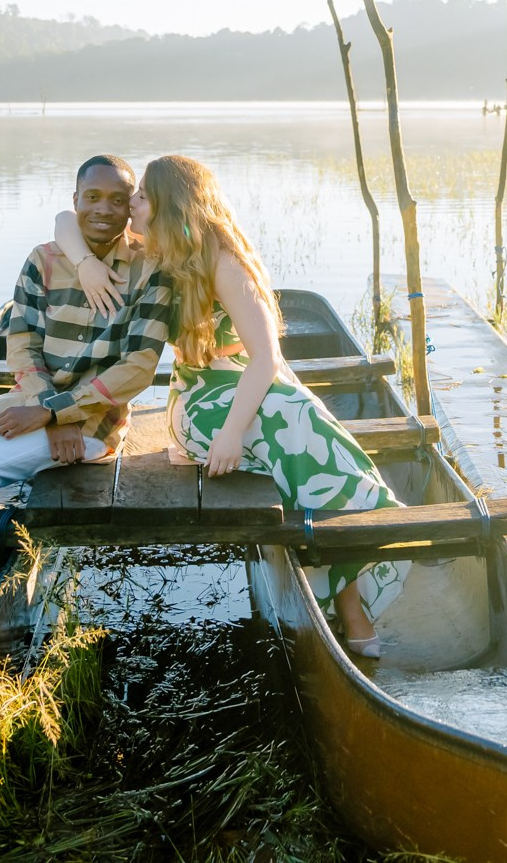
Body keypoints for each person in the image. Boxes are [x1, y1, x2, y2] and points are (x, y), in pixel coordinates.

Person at [56, 153, 404, 657]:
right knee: (295, 424)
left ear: (171, 206)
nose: (130, 205)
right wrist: (86, 262)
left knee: (301, 422)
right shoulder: (155, 249)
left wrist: (234, 431)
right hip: (197, 402)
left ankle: (346, 585)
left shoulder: (223, 262)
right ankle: (351, 600)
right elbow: (65, 220)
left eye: (141, 197)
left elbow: (266, 360)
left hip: (244, 389)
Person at [0, 154, 173, 665]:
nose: (103, 209)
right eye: (92, 198)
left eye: (116, 199)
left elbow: (138, 369)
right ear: (75, 201)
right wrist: (47, 406)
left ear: (131, 206)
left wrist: (62, 414)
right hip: (30, 403)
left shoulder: (151, 269)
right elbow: (20, 342)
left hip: (96, 423)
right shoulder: (43, 259)